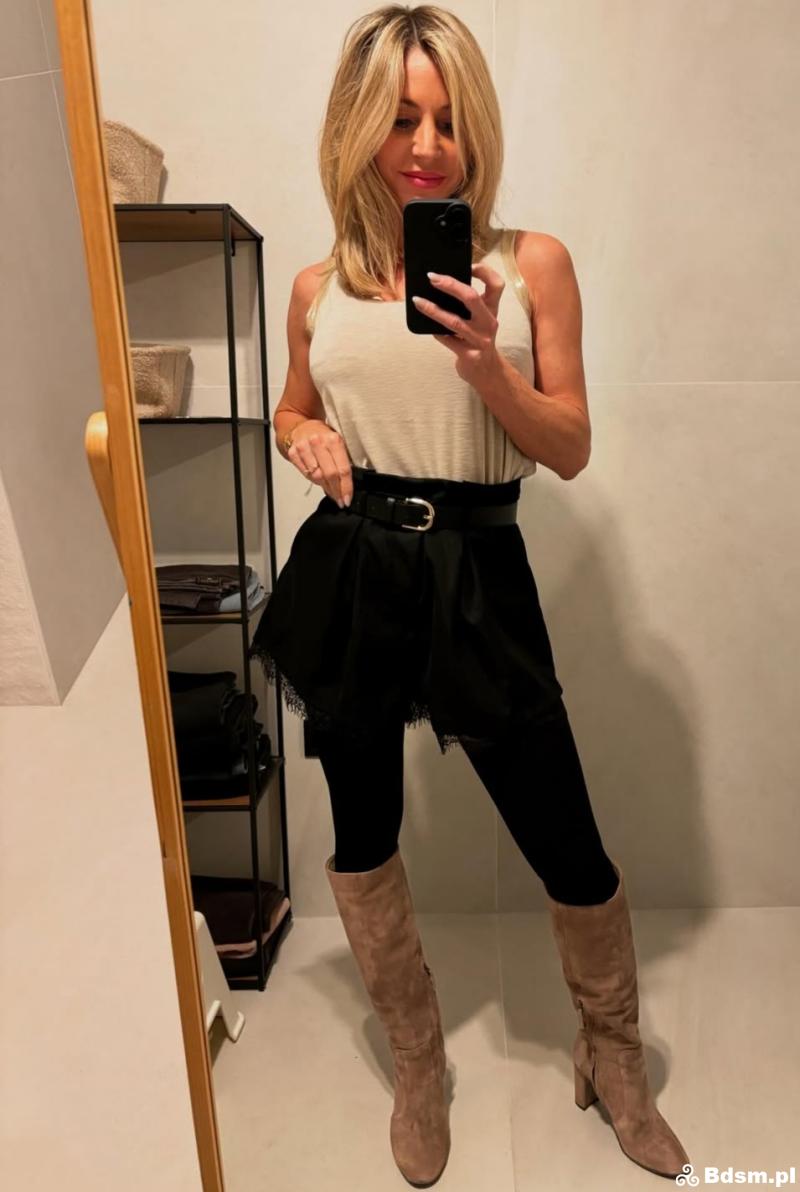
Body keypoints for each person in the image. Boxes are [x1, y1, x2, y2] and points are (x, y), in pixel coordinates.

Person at [250, 5, 691, 1187]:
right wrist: (302, 440)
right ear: (356, 128)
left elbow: (570, 448)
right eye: (400, 118)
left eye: (447, 119)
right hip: (351, 565)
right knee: (362, 829)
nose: (426, 145)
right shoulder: (316, 286)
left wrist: (485, 362)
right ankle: (415, 1061)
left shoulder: (526, 264)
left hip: (476, 571)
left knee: (565, 837)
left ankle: (612, 1054)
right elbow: (290, 405)